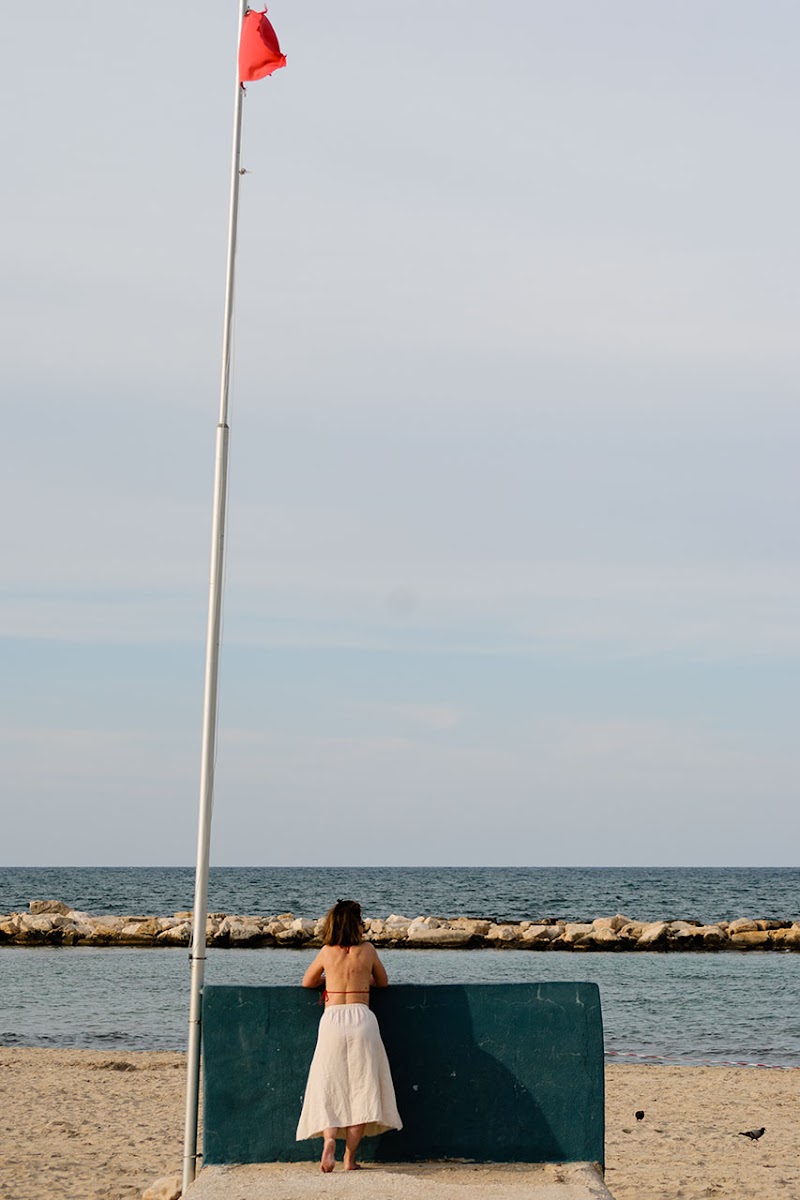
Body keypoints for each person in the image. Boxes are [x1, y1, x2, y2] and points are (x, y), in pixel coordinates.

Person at [296, 898, 402, 1172]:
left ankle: (329, 1140)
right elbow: (383, 982)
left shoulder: (326, 952)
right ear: (357, 924)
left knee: (330, 1084)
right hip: (361, 1019)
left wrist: (329, 980)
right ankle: (349, 1159)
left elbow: (307, 982)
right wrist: (361, 978)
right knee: (362, 1089)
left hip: (332, 1020)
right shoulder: (367, 950)